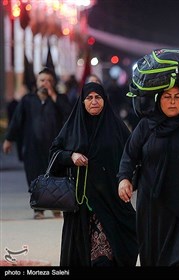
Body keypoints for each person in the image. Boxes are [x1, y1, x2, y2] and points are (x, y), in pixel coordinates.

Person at [117, 49, 179, 266]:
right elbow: (129, 155)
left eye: (177, 97)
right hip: (155, 205)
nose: (173, 102)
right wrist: (124, 179)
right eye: (167, 97)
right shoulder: (146, 126)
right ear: (158, 100)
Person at [49, 82, 138, 266]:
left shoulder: (116, 127)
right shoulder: (73, 126)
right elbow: (54, 152)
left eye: (98, 97)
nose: (94, 102)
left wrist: (128, 181)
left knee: (104, 258)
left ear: (105, 100)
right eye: (89, 98)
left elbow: (133, 156)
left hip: (110, 200)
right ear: (82, 102)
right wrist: (71, 156)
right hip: (80, 204)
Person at [2, 67, 72, 219]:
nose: (45, 83)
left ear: (53, 83)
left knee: (56, 177)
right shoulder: (28, 100)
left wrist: (54, 97)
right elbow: (17, 121)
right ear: (37, 82)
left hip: (54, 149)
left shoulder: (60, 99)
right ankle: (38, 209)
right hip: (32, 147)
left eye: (49, 81)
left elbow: (69, 117)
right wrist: (9, 139)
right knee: (34, 178)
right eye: (42, 80)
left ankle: (56, 207)